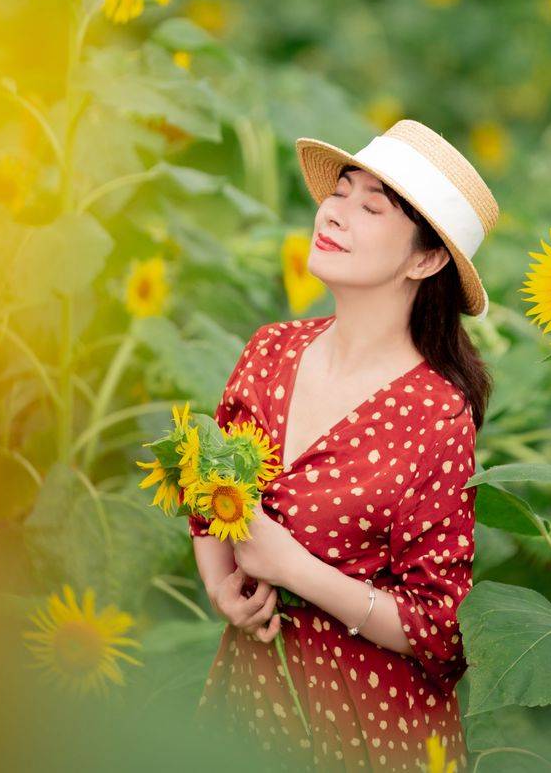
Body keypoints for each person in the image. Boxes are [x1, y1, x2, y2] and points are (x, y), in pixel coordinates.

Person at [188, 118, 499, 772]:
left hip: (369, 726)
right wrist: (221, 583)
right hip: (250, 701)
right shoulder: (271, 349)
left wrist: (292, 566)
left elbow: (438, 628)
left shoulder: (436, 415)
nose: (335, 212)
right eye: (341, 191)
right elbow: (209, 486)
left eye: (371, 205)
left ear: (426, 258)